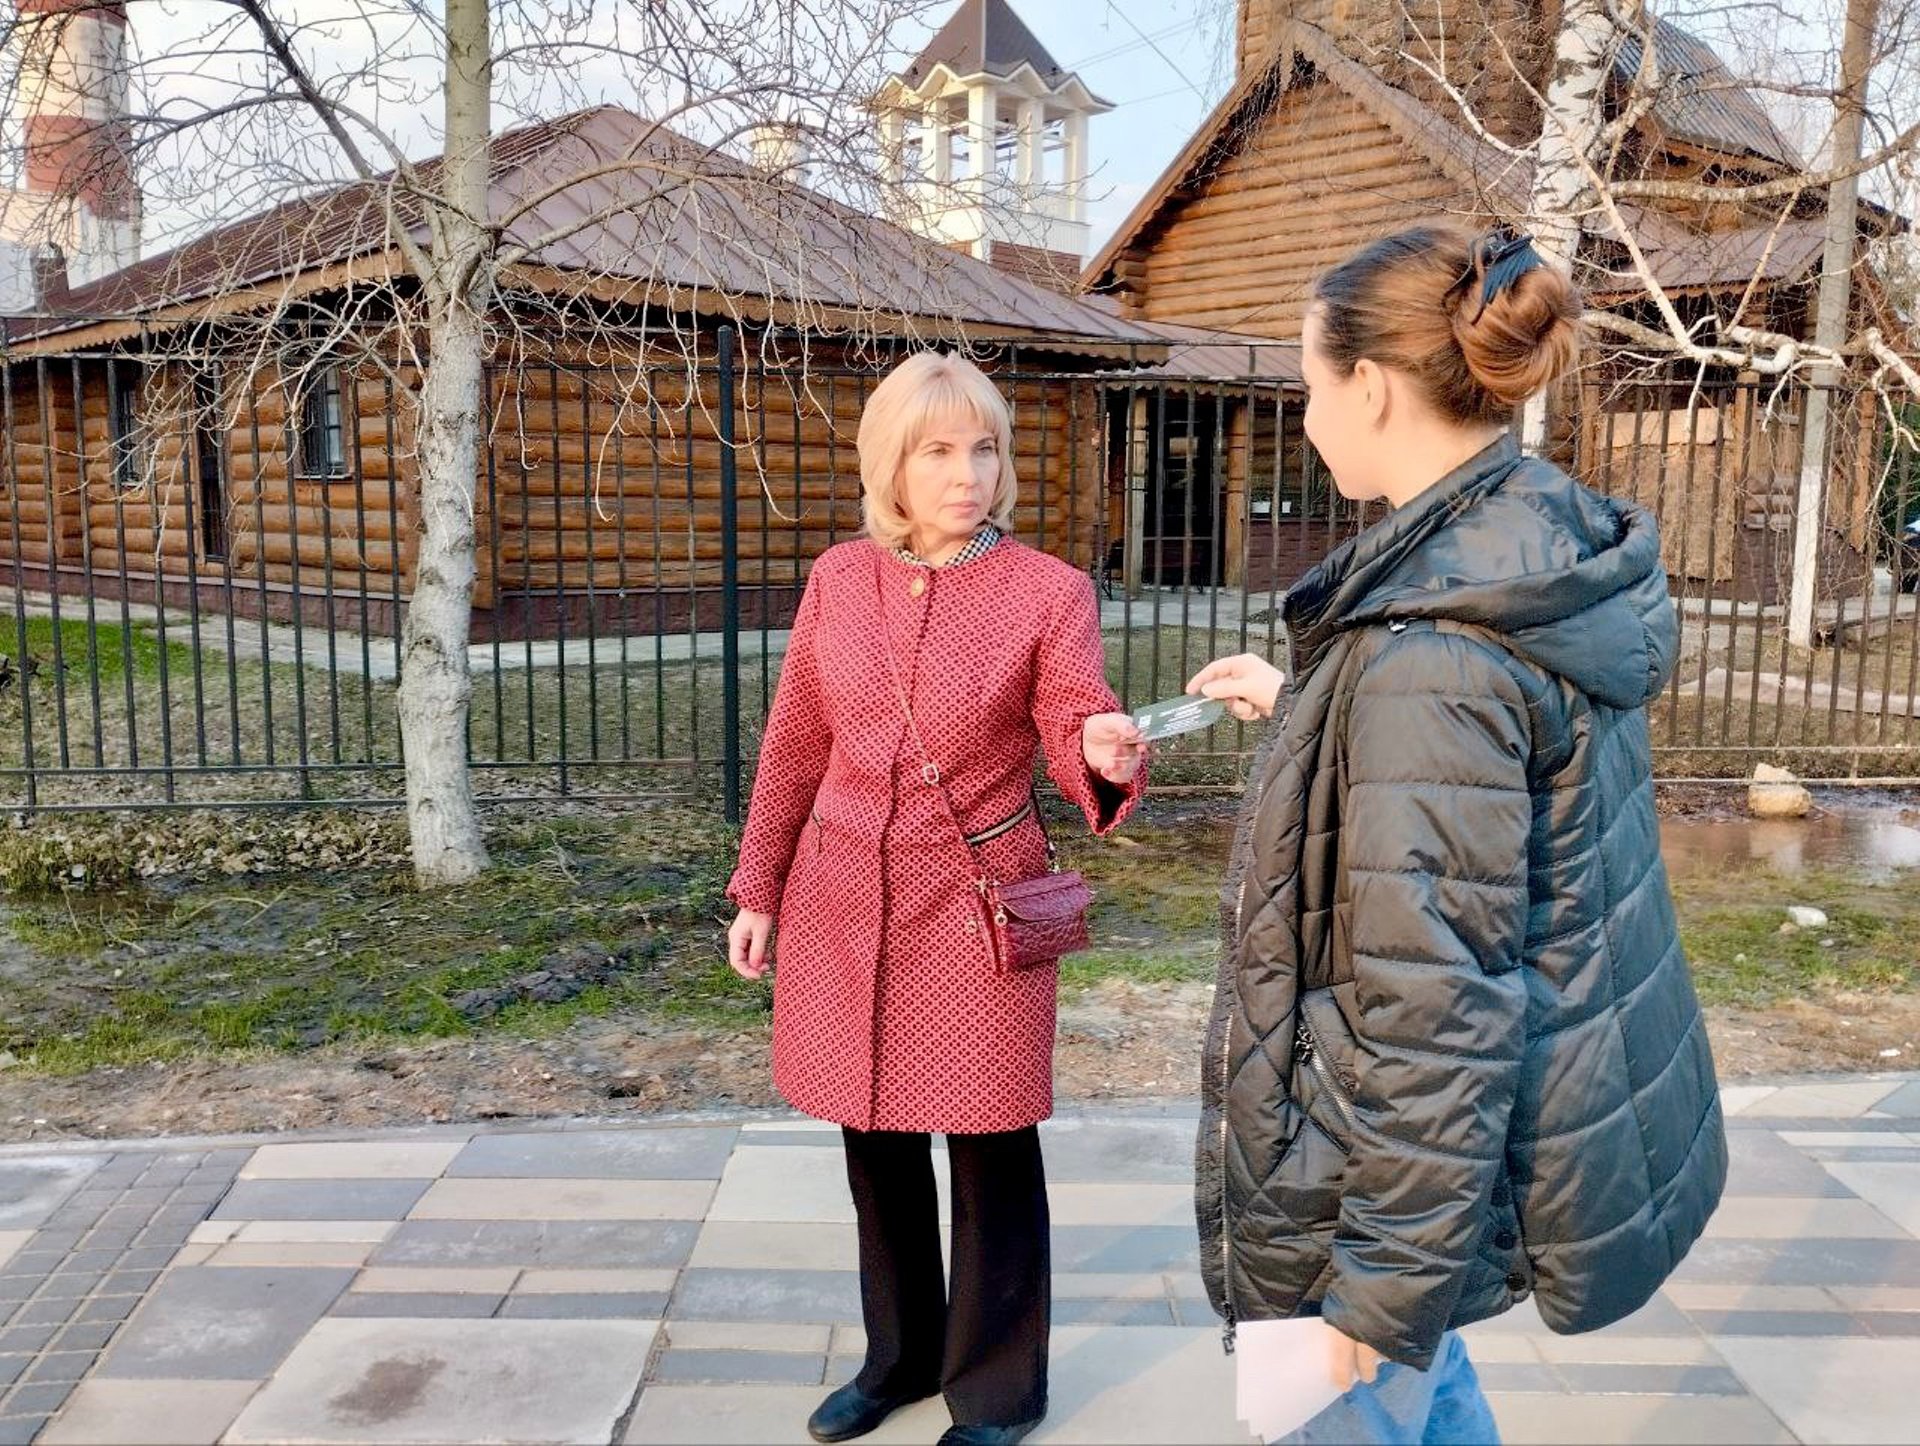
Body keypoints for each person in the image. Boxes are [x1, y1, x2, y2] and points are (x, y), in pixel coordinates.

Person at [1186, 224, 1727, 1445]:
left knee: (1358, 1409)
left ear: (1372, 387)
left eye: (1310, 384)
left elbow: (1435, 1005)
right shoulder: (1526, 548)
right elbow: (1483, 796)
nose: (1307, 417)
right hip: (1423, 1167)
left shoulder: (1429, 652)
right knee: (1426, 1407)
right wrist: (1315, 710)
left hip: (1364, 1186)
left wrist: (1380, 1289)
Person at [725, 351, 1147, 1446]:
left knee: (990, 1144)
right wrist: (759, 884)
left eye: (985, 449)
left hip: (975, 909)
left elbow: (1072, 717)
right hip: (842, 900)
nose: (967, 474)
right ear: (891, 467)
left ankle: (999, 1393)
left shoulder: (1048, 591)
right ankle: (900, 1359)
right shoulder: (839, 579)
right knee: (874, 1137)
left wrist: (1098, 749)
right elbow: (796, 740)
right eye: (938, 451)